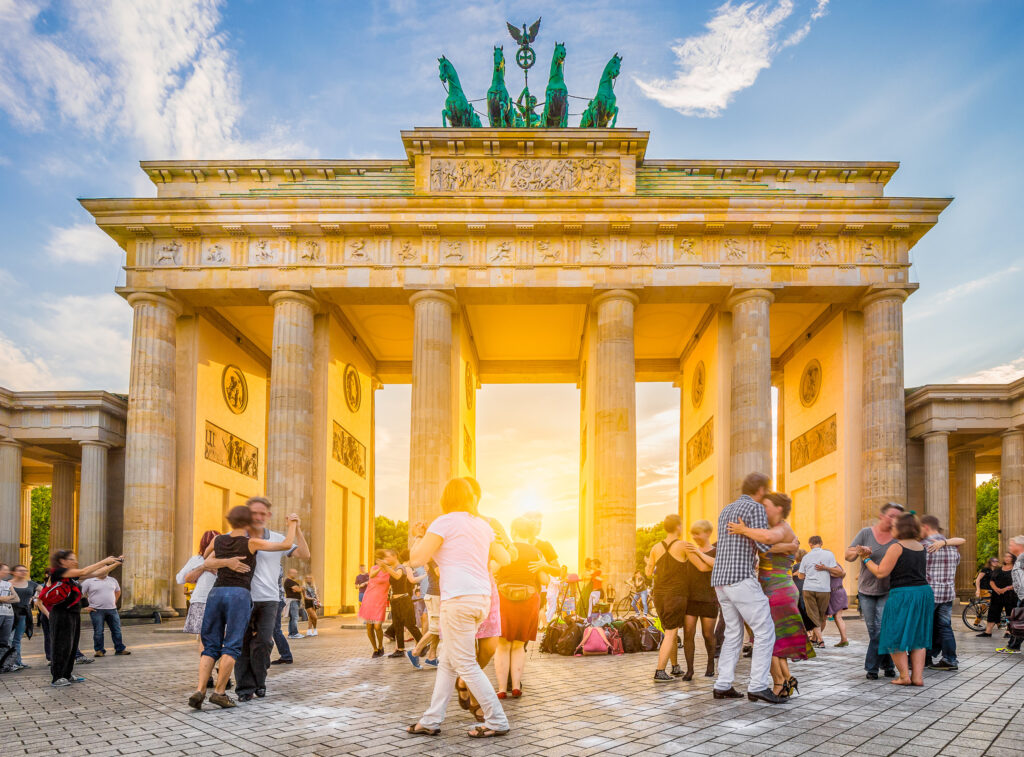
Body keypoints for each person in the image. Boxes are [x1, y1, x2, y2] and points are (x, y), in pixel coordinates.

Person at [407, 477, 512, 739]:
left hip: (458, 599)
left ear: (446, 498)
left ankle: (497, 720)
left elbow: (417, 558)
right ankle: (431, 719)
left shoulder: (444, 521)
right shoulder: (483, 525)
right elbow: (505, 558)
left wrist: (420, 535)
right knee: (448, 661)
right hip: (481, 599)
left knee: (464, 663)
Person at [189, 506, 298, 709]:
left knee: (210, 644)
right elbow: (287, 544)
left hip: (215, 593)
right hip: (238, 595)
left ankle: (200, 690)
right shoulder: (252, 543)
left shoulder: (218, 540)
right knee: (232, 645)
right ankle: (219, 693)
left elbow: (206, 558)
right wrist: (292, 524)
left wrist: (226, 562)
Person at [710, 472, 787, 704]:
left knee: (733, 633)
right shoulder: (755, 509)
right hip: (741, 578)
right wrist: (789, 543)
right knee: (764, 630)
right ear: (762, 490)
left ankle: (722, 684)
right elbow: (764, 544)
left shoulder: (726, 510)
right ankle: (758, 686)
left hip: (720, 580)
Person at [730, 492, 813, 699]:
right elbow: (771, 544)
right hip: (777, 588)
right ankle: (787, 678)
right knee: (775, 639)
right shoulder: (778, 531)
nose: (762, 510)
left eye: (765, 506)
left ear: (779, 509)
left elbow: (765, 542)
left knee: (766, 638)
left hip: (777, 590)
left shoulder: (781, 529)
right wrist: (789, 546)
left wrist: (743, 530)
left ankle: (779, 684)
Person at [863, 512, 934, 686]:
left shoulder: (897, 547)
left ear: (901, 528)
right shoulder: (920, 547)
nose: (891, 528)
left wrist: (865, 559)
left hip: (903, 594)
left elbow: (881, 572)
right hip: (923, 592)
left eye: (893, 526)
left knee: (893, 634)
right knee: (918, 636)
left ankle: (904, 676)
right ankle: (917, 677)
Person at [42, 550, 122, 687]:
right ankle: (57, 677)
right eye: (72, 559)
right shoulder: (58, 572)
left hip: (72, 614)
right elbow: (85, 572)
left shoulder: (71, 577)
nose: (75, 561)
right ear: (62, 561)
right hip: (61, 614)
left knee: (71, 645)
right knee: (61, 645)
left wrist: (116, 563)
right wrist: (104, 560)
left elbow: (97, 573)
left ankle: (67, 674)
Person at [845, 502, 904, 680]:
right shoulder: (865, 533)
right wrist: (859, 550)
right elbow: (847, 556)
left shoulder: (898, 538)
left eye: (898, 517)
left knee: (881, 629)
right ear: (882, 516)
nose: (895, 520)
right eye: (892, 516)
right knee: (874, 630)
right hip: (866, 590)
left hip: (888, 590)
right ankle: (888, 664)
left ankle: (871, 667)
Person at [492, 517, 547, 698]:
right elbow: (544, 580)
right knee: (517, 645)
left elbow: (492, 569)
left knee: (502, 645)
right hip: (528, 600)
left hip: (504, 599)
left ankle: (501, 689)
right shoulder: (536, 552)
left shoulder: (507, 550)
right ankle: (516, 687)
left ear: (513, 531)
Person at [646, 514, 689, 682]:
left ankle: (675, 666)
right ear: (678, 527)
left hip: (659, 594)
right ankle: (660, 671)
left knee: (670, 630)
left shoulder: (656, 548)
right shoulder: (684, 546)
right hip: (675, 594)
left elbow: (648, 573)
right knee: (671, 633)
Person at [920, 515, 963, 671]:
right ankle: (950, 659)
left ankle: (924, 659)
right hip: (947, 593)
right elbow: (956, 563)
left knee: (924, 627)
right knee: (945, 627)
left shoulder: (924, 546)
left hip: (929, 593)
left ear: (925, 527)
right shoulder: (952, 546)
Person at [681, 519, 717, 679]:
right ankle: (690, 669)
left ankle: (710, 663)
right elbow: (702, 568)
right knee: (688, 633)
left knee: (708, 635)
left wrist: (698, 553)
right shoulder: (689, 550)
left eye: (697, 533)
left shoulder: (716, 551)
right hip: (691, 598)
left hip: (709, 597)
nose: (694, 537)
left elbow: (716, 566)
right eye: (692, 534)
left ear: (708, 533)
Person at [379, 549, 423, 660]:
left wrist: (386, 567)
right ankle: (400, 650)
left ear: (395, 557)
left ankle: (423, 645)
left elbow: (398, 576)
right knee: (397, 626)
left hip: (404, 600)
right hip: (395, 601)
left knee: (410, 625)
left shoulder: (401, 567)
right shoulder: (393, 568)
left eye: (388, 557)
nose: (386, 559)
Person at [796, 535, 838, 647]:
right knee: (820, 615)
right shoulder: (829, 554)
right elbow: (835, 570)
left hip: (809, 588)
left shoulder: (806, 557)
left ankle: (818, 639)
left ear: (810, 544)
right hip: (824, 589)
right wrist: (825, 569)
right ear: (821, 543)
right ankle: (819, 639)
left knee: (812, 614)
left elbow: (800, 576)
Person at [80, 571, 129, 658]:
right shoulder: (89, 581)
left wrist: (114, 602)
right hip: (96, 610)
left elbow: (118, 591)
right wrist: (86, 607)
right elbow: (78, 594)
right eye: (103, 570)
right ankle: (99, 650)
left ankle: (120, 649)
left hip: (112, 610)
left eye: (107, 570)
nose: (105, 572)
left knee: (116, 630)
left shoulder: (112, 580)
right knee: (98, 631)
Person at [410, 560, 441, 667]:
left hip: (438, 595)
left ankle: (432, 656)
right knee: (436, 628)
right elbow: (439, 573)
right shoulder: (434, 558)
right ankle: (415, 652)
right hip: (435, 595)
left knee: (437, 628)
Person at [359, 551, 390, 657]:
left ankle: (381, 646)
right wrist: (380, 567)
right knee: (369, 627)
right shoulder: (374, 568)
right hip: (369, 599)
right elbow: (371, 575)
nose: (378, 561)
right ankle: (375, 649)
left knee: (377, 626)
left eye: (380, 559)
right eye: (377, 560)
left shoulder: (389, 571)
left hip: (380, 601)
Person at [979, 552, 1018, 638]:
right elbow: (992, 581)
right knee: (993, 612)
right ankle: (988, 632)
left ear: (1013, 559)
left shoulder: (1016, 569)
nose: (1006, 558)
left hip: (1010, 595)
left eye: (1009, 557)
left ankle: (1009, 632)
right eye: (1005, 556)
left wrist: (1006, 589)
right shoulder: (998, 569)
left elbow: (1018, 582)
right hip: (997, 595)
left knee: (1010, 613)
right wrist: (997, 589)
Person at [8, 564, 39, 670]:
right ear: (13, 572)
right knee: (8, 638)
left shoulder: (31, 583)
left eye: (25, 570)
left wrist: (35, 598)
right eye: (20, 570)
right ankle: (8, 662)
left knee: (17, 639)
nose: (23, 572)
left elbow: (44, 590)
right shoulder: (7, 583)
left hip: (23, 613)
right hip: (9, 613)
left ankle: (18, 661)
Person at [997, 535, 1024, 654]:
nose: (1009, 547)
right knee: (1019, 620)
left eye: (1011, 544)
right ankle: (1013, 646)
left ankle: (1013, 646)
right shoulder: (1020, 558)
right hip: (1021, 595)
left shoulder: (1022, 558)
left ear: (1019, 546)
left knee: (1019, 620)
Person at [824, 563, 849, 647]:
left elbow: (840, 573)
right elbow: (843, 574)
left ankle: (816, 639)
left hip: (834, 593)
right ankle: (844, 639)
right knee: (838, 617)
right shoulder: (838, 565)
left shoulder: (831, 566)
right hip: (840, 591)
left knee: (825, 617)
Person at [0, 569, 15, 672]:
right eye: (4, 570)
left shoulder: (7, 583)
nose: (7, 572)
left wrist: (6, 598)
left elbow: (16, 597)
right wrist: (8, 597)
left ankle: (3, 664)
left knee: (4, 641)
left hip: (8, 613)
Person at [283, 568, 304, 640]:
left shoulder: (291, 581)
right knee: (295, 617)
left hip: (295, 601)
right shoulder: (289, 581)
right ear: (289, 573)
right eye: (294, 573)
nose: (296, 574)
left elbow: (297, 590)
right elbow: (299, 589)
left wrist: (298, 588)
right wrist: (300, 588)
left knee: (293, 618)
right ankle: (294, 633)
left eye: (296, 573)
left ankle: (291, 634)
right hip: (293, 601)